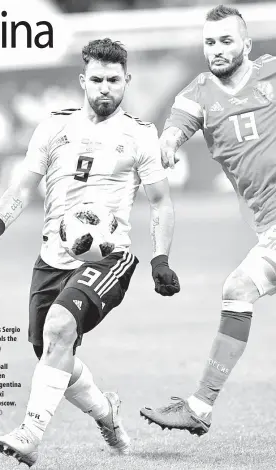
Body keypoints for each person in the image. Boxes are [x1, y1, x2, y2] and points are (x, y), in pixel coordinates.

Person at [0, 38, 180, 466]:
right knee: (51, 352)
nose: (104, 88)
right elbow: (22, 186)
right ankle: (105, 412)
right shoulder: (54, 127)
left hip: (107, 259)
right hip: (52, 258)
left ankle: (31, 433)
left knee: (60, 326)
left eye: (113, 80)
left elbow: (160, 202)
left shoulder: (139, 134)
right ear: (83, 80)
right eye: (96, 79)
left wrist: (160, 258)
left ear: (126, 81)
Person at [140, 5, 276, 436]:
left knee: (237, 288)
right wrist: (167, 142)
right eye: (210, 42)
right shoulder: (197, 93)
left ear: (247, 45)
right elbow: (176, 126)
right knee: (237, 291)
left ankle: (199, 406)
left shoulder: (271, 74)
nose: (216, 49)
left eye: (226, 41)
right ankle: (199, 407)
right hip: (269, 227)